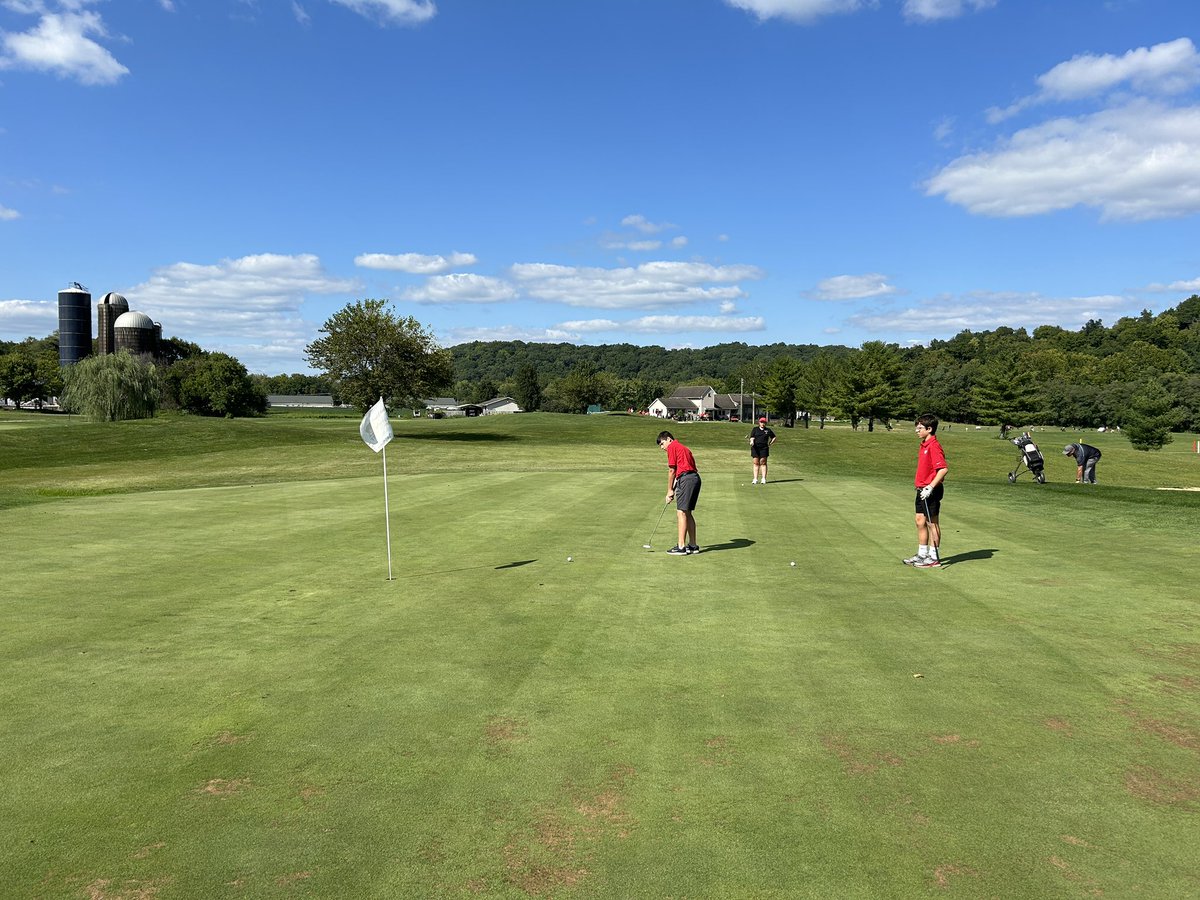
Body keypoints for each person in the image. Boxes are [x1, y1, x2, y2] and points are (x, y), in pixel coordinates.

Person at [904, 414, 948, 569]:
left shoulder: (934, 446)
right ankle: (922, 554)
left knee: (932, 523)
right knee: (920, 521)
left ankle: (934, 558)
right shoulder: (924, 444)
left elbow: (943, 469)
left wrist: (930, 487)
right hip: (921, 489)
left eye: (920, 428)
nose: (917, 430)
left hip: (931, 490)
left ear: (929, 429)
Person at [657, 431, 701, 555]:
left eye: (662, 444)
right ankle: (693, 545)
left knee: (681, 512)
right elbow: (681, 470)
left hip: (686, 479)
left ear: (669, 439)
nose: (662, 447)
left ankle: (681, 546)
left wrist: (669, 490)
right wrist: (674, 488)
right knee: (688, 513)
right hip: (695, 478)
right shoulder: (684, 448)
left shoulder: (672, 447)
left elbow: (672, 470)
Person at [748, 416, 777, 484]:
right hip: (755, 448)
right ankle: (755, 479)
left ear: (765, 423)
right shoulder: (755, 429)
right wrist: (752, 441)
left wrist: (770, 443)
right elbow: (752, 437)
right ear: (759, 422)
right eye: (761, 422)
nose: (762, 423)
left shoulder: (768, 430)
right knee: (756, 463)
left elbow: (774, 437)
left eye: (764, 422)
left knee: (763, 463)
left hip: (764, 448)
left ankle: (763, 479)